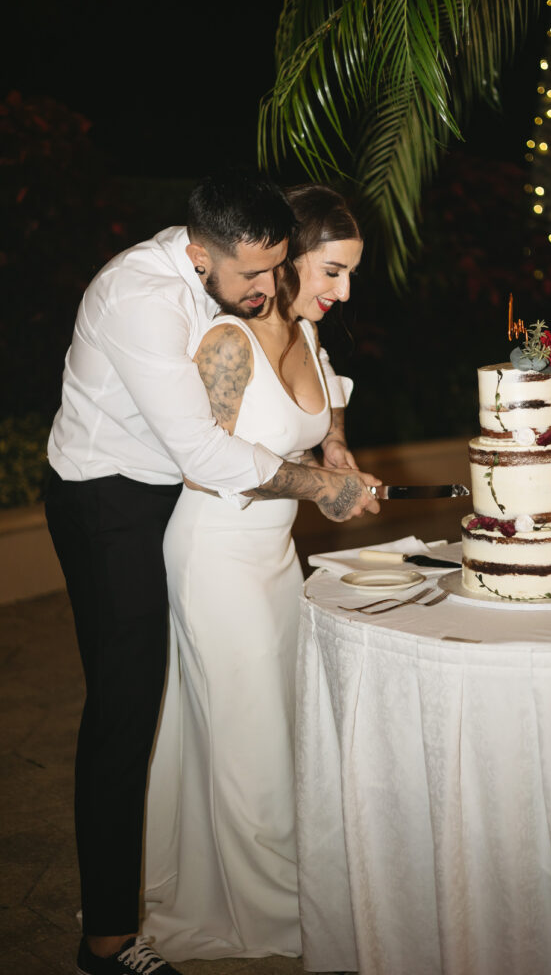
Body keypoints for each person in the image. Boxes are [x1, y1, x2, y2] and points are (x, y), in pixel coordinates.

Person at [45, 170, 380, 975]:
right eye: (254, 275)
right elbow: (200, 452)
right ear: (201, 257)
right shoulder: (142, 297)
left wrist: (330, 437)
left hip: (188, 502)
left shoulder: (240, 272)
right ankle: (108, 942)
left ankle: (189, 870)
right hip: (107, 496)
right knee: (126, 705)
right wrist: (322, 485)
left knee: (195, 707)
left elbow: (309, 368)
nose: (267, 288)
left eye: (276, 269)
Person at [142, 184, 366, 961]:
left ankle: (269, 883)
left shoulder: (306, 333)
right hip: (216, 554)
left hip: (274, 556)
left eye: (348, 274)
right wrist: (319, 484)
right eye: (331, 271)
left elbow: (324, 398)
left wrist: (334, 448)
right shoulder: (228, 342)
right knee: (251, 741)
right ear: (289, 259)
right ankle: (279, 915)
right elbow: (209, 470)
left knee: (274, 724)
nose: (341, 290)